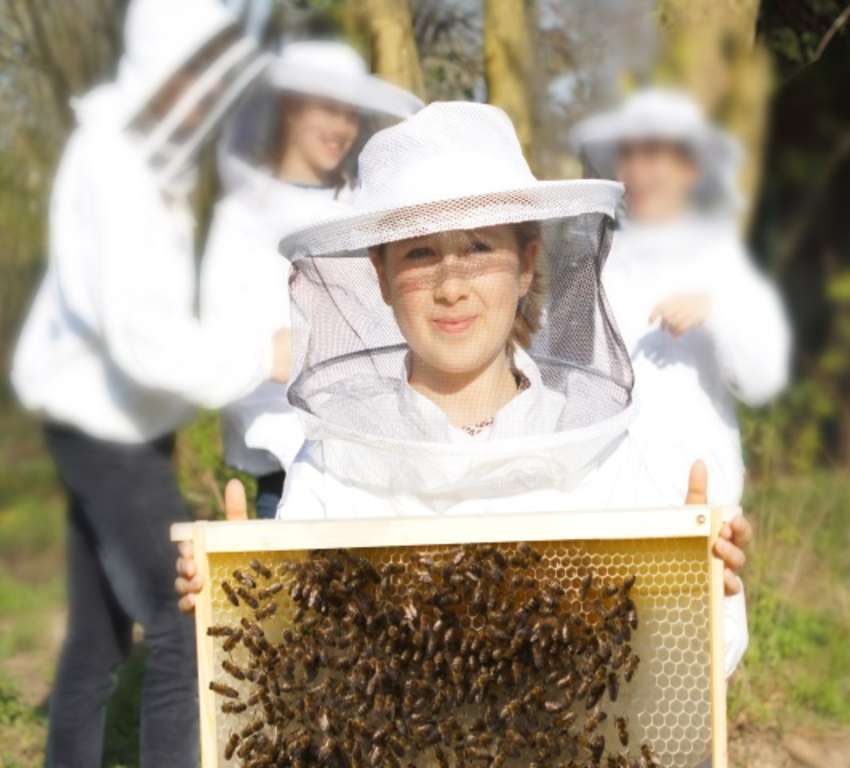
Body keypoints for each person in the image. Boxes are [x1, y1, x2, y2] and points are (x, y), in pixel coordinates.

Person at [177, 102, 753, 680]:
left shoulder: (599, 452)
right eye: (420, 253)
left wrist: (699, 587)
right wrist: (239, 603)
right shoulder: (333, 463)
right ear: (381, 276)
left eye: (478, 247)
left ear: (526, 265)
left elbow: (686, 672)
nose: (450, 286)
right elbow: (291, 672)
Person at [8, 1, 288, 765]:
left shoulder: (150, 158)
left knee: (97, 642)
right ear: (161, 61)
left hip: (115, 423)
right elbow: (140, 341)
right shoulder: (115, 163)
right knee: (185, 618)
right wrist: (262, 356)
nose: (208, 91)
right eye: (194, 70)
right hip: (105, 430)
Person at [201, 41, 423, 518]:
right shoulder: (237, 221)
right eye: (327, 109)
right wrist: (268, 355)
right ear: (289, 108)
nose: (341, 127)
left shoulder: (364, 211)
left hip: (380, 476)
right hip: (282, 479)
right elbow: (203, 359)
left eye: (350, 112)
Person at [570, 87, 791, 507]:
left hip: (696, 501)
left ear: (689, 168)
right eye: (629, 155)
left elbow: (763, 379)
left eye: (653, 155)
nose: (638, 171)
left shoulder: (722, 259)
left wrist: (717, 312)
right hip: (606, 505)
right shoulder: (597, 261)